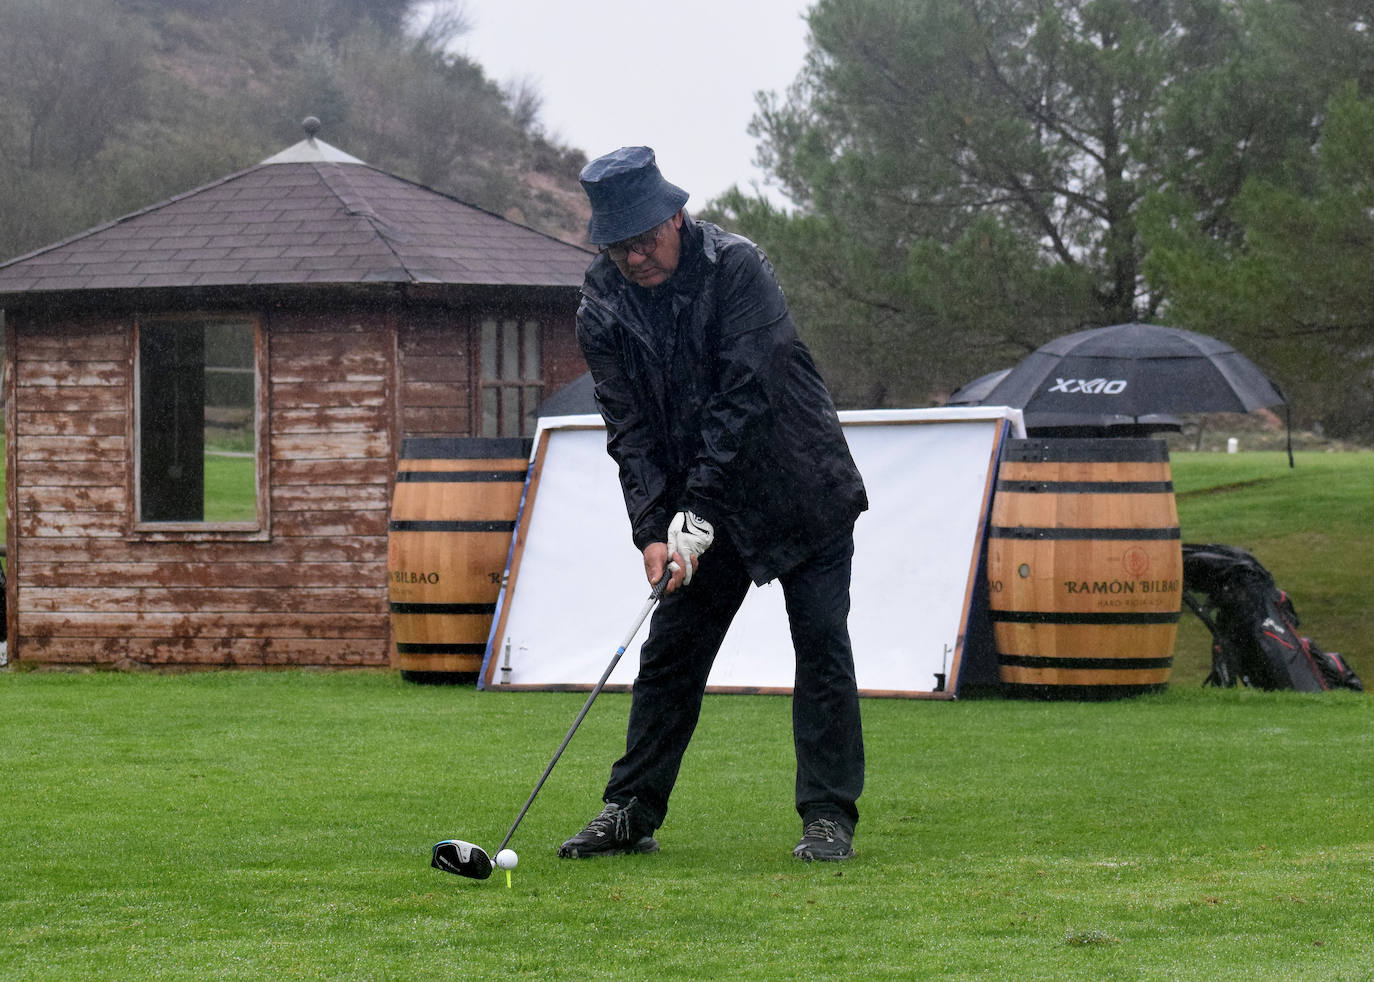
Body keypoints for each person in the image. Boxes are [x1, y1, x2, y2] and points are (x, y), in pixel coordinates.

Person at [559, 147, 868, 863]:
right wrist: (652, 531)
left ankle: (827, 815)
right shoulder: (600, 304)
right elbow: (628, 428)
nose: (634, 258)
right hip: (702, 511)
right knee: (670, 652)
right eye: (618, 245)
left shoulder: (738, 269)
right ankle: (630, 807)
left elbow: (746, 396)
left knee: (821, 646)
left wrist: (694, 508)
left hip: (800, 487)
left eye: (645, 239)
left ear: (676, 215)